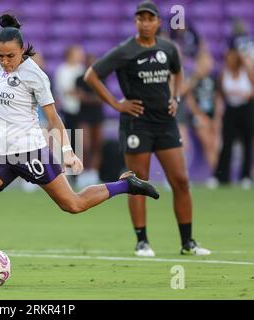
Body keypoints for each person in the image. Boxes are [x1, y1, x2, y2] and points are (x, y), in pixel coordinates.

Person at [0, 13, 159, 285]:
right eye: (0, 55)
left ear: (22, 51)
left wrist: (67, 151)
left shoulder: (35, 75)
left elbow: (53, 118)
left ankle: (126, 185)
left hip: (31, 152)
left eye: (10, 56)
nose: (4, 62)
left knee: (73, 205)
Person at [84, 1, 211, 257]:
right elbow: (91, 75)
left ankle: (188, 243)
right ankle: (142, 241)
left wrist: (175, 98)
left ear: (158, 22)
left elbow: (178, 72)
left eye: (150, 18)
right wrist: (117, 104)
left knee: (181, 181)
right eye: (140, 19)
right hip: (136, 123)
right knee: (138, 181)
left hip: (165, 123)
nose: (145, 23)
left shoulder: (168, 48)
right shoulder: (125, 50)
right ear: (136, 22)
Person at [211, 46, 254, 189]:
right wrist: (219, 114)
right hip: (230, 110)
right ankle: (221, 177)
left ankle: (246, 177)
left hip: (246, 109)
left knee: (247, 143)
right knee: (226, 143)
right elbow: (220, 93)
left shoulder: (247, 72)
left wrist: (246, 95)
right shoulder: (224, 73)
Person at [185, 50, 224, 174]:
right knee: (208, 143)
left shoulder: (213, 78)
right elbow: (189, 99)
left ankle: (218, 173)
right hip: (199, 117)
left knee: (215, 145)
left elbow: (218, 99)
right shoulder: (194, 79)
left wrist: (217, 118)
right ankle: (216, 173)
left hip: (212, 116)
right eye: (205, 61)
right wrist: (199, 115)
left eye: (209, 61)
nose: (208, 64)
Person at [75, 54, 105, 188]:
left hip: (97, 117)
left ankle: (93, 173)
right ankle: (83, 173)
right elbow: (81, 97)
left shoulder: (100, 79)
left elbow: (101, 99)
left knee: (96, 146)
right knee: (84, 147)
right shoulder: (80, 79)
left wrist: (88, 98)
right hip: (84, 116)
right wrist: (94, 98)